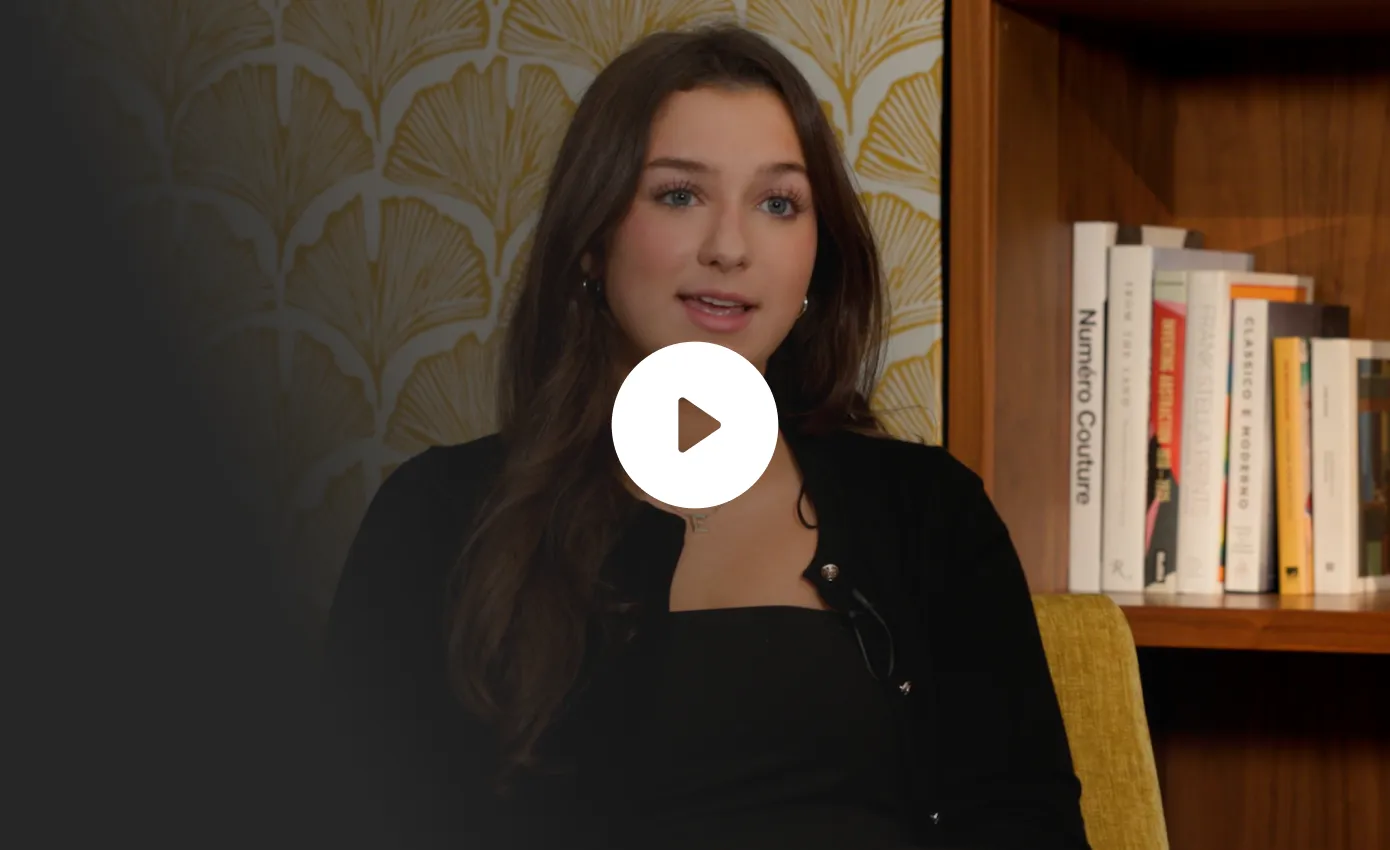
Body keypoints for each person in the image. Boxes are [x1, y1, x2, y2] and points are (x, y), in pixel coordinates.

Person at [324, 22, 1091, 850]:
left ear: (814, 259)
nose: (730, 247)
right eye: (679, 194)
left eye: (777, 203)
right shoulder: (438, 517)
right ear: (592, 240)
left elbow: (1024, 819)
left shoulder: (932, 512)